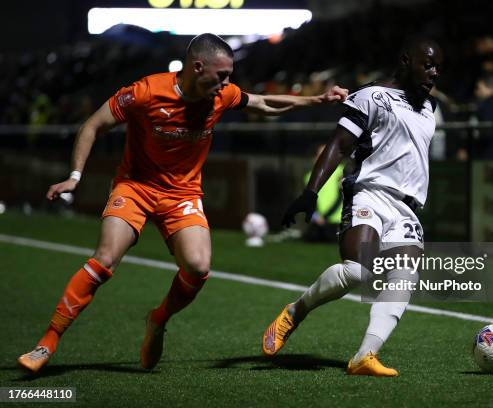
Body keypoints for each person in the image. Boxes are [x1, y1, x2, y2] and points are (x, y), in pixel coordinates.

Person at [17, 33, 348, 374]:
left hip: (182, 195)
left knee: (198, 267)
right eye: (221, 75)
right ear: (197, 66)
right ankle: (47, 342)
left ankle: (158, 319)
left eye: (230, 76)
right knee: (105, 260)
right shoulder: (145, 92)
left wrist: (318, 100)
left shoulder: (221, 96)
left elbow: (264, 103)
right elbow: (93, 125)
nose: (227, 83)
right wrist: (75, 176)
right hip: (136, 187)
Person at [261, 38, 443, 376]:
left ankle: (365, 356)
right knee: (359, 271)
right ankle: (295, 312)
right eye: (427, 65)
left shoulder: (430, 108)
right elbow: (338, 145)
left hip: (407, 208)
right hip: (369, 193)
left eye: (437, 67)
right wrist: (311, 193)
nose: (433, 73)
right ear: (405, 61)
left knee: (404, 276)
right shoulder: (371, 96)